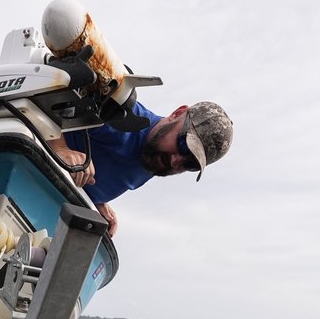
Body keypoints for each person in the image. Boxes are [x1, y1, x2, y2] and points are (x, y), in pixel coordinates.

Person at [47, 100, 233, 237]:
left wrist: (95, 199)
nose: (176, 161)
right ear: (177, 113)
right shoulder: (120, 116)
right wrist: (59, 146)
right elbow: (46, 96)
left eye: (190, 163)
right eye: (183, 145)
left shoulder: (156, 158)